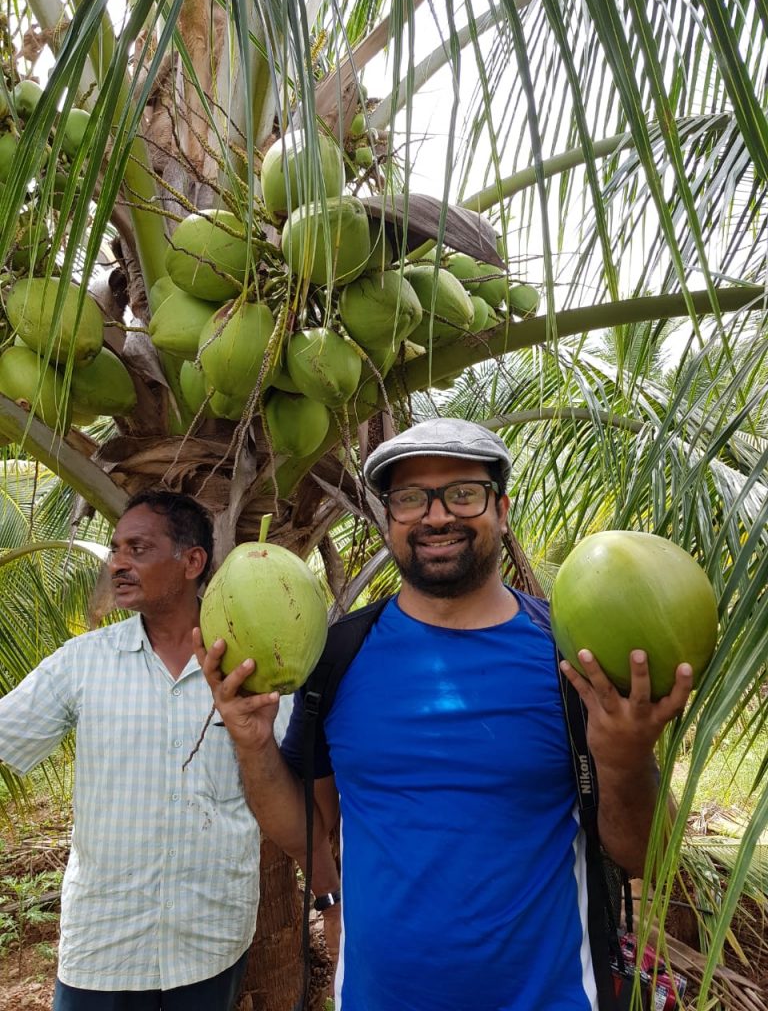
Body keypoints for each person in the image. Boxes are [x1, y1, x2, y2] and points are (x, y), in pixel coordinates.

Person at [198, 418, 693, 1011]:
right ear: (389, 519)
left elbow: (648, 859)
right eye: (410, 498)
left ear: (502, 510)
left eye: (463, 493)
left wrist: (627, 759)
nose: (436, 516)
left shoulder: (569, 659)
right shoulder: (339, 656)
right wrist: (252, 743)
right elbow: (306, 828)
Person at [0, 489, 261, 1011]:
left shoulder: (248, 667)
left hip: (210, 935)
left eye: (138, 549)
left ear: (192, 561)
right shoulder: (83, 661)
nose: (117, 563)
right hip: (105, 942)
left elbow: (290, 779)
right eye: (116, 549)